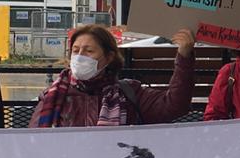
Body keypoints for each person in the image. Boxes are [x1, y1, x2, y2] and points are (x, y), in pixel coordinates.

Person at [29, 24, 195, 128]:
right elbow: (33, 144)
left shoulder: (129, 93)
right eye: (75, 50)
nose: (80, 56)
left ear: (108, 57)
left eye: (89, 51)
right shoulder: (53, 97)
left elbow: (174, 105)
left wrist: (184, 57)